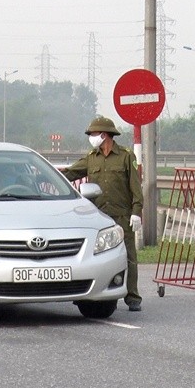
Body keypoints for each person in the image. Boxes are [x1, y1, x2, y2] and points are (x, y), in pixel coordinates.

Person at [62, 116, 144, 311]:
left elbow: (136, 186)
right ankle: (98, 293)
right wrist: (48, 175)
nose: (91, 137)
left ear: (104, 135)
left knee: (129, 256)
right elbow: (72, 173)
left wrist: (137, 212)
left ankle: (133, 297)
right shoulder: (91, 157)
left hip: (122, 215)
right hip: (98, 217)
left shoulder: (126, 156)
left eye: (93, 134)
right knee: (97, 256)